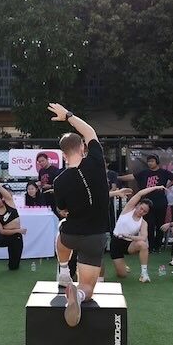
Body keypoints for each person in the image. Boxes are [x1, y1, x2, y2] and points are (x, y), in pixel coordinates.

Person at [50, 103, 111, 327]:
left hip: (71, 235)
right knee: (88, 288)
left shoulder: (59, 181)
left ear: (63, 154)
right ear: (83, 147)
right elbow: (90, 131)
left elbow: (63, 209)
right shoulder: (96, 161)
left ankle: (64, 270)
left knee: (61, 229)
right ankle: (80, 294)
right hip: (96, 237)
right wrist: (68, 115)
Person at [111, 185, 164, 282]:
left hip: (129, 244)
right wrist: (156, 187)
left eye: (145, 211)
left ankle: (144, 273)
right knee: (122, 275)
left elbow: (143, 237)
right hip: (116, 242)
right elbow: (140, 193)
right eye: (141, 208)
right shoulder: (128, 209)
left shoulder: (143, 223)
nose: (141, 211)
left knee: (143, 245)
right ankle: (123, 266)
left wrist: (130, 236)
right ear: (138, 205)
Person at [126, 155, 173, 252]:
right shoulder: (144, 173)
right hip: (147, 203)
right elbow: (132, 177)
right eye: (148, 161)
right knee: (149, 225)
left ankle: (158, 246)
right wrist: (117, 177)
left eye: (152, 161)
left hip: (161, 202)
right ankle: (150, 246)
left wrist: (167, 186)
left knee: (160, 225)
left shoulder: (163, 172)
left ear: (157, 162)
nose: (150, 163)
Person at [0, 175, 28, 276]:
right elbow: (1, 231)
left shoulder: (9, 201)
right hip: (6, 236)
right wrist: (18, 230)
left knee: (13, 267)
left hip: (16, 238)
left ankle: (12, 261)